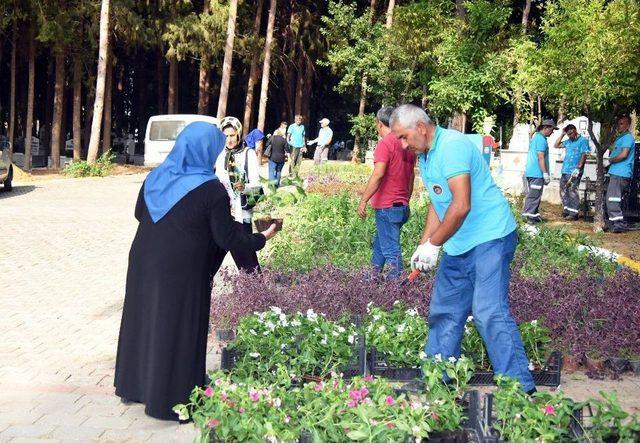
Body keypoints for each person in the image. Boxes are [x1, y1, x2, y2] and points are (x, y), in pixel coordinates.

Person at [114, 122, 277, 420]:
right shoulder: (210, 188)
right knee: (176, 326)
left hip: (142, 258)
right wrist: (261, 238)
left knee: (144, 317)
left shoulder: (155, 176)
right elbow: (226, 237)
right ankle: (171, 399)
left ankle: (133, 386)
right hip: (181, 268)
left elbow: (140, 213)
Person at [390, 104, 535, 394]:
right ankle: (437, 377)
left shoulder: (452, 147)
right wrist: (424, 243)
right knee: (445, 308)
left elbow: (461, 205)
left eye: (405, 137)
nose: (404, 145)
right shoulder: (426, 155)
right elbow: (438, 201)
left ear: (421, 127)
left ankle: (520, 388)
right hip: (459, 241)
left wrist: (434, 244)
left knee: (488, 311)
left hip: (489, 237)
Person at [357, 107, 416, 280]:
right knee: (380, 244)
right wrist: (406, 199)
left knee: (391, 251)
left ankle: (394, 291)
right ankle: (371, 278)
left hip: (387, 206)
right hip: (401, 206)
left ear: (379, 123)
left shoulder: (386, 143)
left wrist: (363, 201)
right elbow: (411, 176)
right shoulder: (407, 144)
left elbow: (378, 174)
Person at [215, 116, 263, 272]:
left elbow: (257, 187)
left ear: (239, 133)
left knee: (246, 258)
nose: (229, 139)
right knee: (211, 257)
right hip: (221, 213)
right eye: (225, 135)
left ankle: (257, 291)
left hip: (241, 214)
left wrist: (244, 187)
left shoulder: (248, 154)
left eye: (232, 135)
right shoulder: (219, 154)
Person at [522, 119, 557, 223]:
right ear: (545, 128)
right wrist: (545, 173)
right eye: (552, 130)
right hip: (537, 173)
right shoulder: (541, 139)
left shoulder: (537, 137)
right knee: (534, 195)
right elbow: (540, 157)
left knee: (536, 195)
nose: (552, 132)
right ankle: (528, 216)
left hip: (532, 172)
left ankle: (534, 215)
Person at [606, 115, 636, 233]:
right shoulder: (621, 138)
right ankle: (615, 222)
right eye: (618, 123)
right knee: (613, 198)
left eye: (622, 124)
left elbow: (624, 154)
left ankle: (619, 224)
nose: (619, 126)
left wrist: (610, 160)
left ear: (628, 125)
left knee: (613, 199)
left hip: (621, 172)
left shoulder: (628, 137)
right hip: (616, 171)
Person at [555, 124, 589, 220]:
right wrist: (562, 134)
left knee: (572, 190)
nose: (569, 136)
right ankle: (566, 210)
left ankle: (574, 213)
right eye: (568, 134)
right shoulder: (568, 141)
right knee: (563, 190)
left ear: (575, 130)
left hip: (574, 170)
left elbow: (584, 154)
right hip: (565, 170)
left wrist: (578, 168)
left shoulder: (583, 141)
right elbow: (556, 145)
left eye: (571, 133)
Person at [266, 122, 289, 187]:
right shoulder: (284, 140)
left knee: (271, 171)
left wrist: (269, 138)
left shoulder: (272, 137)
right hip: (281, 158)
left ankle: (271, 185)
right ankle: (277, 184)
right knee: (278, 172)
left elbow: (267, 144)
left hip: (272, 157)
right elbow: (287, 149)